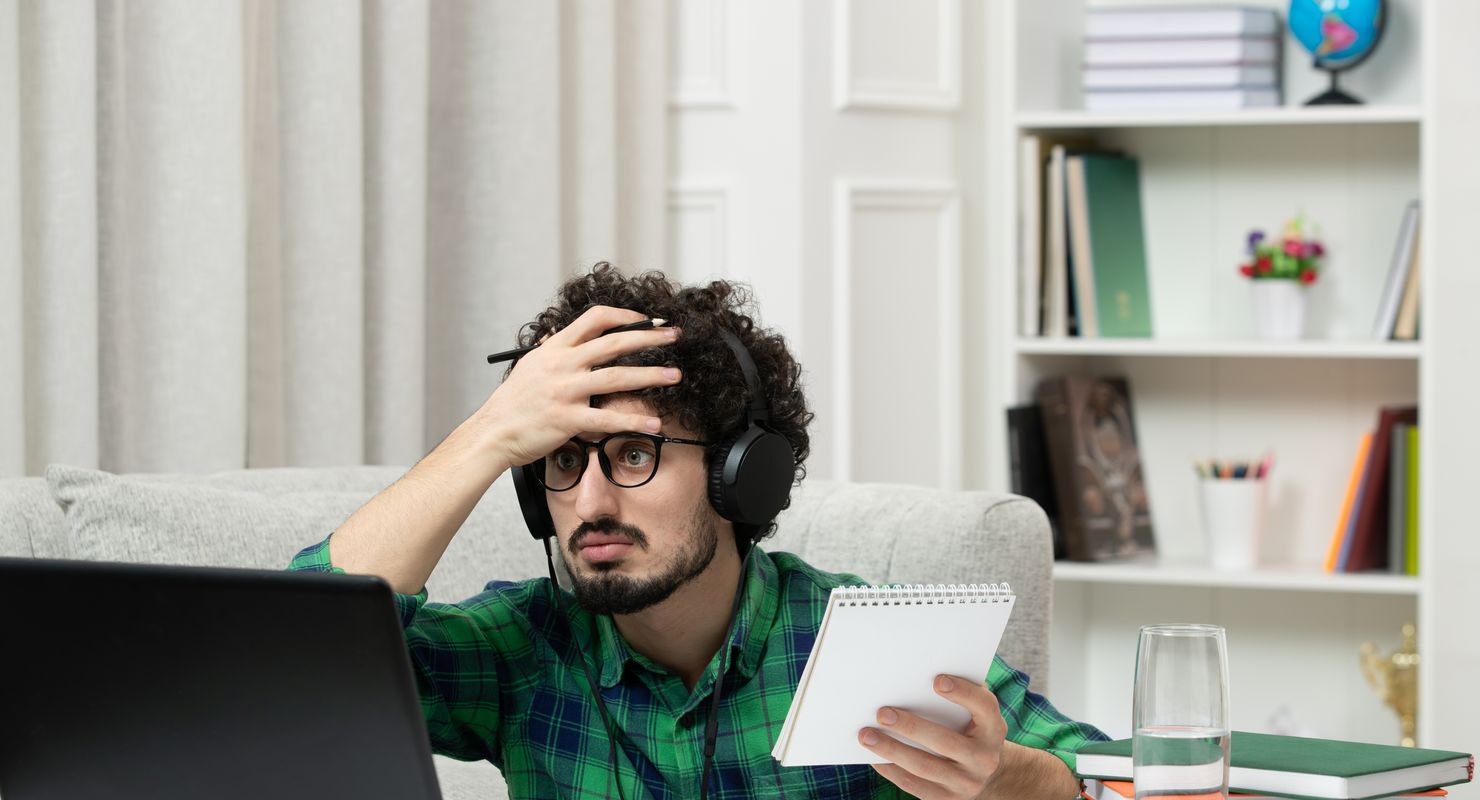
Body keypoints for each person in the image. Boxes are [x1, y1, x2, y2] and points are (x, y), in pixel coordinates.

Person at [289, 264, 1105, 799]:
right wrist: (490, 435)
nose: (593, 498)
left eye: (635, 453)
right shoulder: (518, 650)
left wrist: (1007, 779)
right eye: (562, 461)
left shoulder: (859, 642)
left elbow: (1114, 781)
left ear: (738, 476)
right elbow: (295, 656)